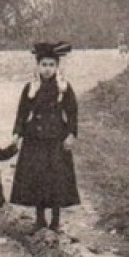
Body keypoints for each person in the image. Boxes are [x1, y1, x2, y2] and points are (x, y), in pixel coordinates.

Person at [10, 41, 81, 233]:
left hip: (56, 138)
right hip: (35, 139)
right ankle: (40, 219)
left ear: (57, 67)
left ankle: (56, 220)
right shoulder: (31, 87)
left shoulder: (63, 87)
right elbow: (22, 112)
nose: (47, 69)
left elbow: (72, 112)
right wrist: (17, 134)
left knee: (56, 177)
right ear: (38, 66)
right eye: (44, 65)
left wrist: (71, 134)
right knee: (38, 177)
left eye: (51, 65)